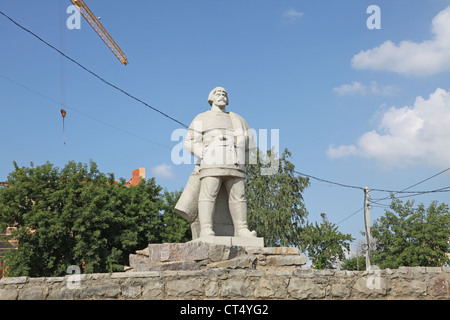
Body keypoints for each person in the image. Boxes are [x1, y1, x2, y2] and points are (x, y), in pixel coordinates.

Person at [183, 87, 257, 238]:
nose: (222, 95)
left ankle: (242, 229)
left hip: (235, 162)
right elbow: (189, 141)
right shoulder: (201, 117)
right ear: (211, 97)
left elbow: (252, 146)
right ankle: (206, 229)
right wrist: (200, 152)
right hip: (211, 161)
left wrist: (244, 161)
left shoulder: (238, 119)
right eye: (218, 93)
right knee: (208, 194)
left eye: (224, 94)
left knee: (239, 196)